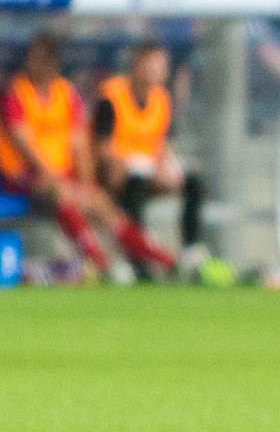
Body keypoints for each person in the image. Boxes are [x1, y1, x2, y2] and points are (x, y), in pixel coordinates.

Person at [0, 35, 175, 277]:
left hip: (62, 174)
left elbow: (80, 143)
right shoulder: (17, 94)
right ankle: (100, 262)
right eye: (37, 58)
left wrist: (85, 182)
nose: (42, 65)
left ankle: (158, 256)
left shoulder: (65, 93)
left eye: (48, 59)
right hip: (23, 176)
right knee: (61, 192)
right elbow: (24, 144)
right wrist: (59, 179)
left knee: (99, 200)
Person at [92, 41, 207, 267]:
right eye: (153, 65)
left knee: (193, 182)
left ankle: (191, 251)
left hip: (150, 169)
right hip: (120, 171)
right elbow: (103, 148)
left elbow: (162, 142)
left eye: (162, 66)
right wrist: (132, 166)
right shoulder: (112, 95)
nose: (159, 71)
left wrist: (164, 167)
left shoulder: (161, 99)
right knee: (136, 184)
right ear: (138, 63)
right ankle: (138, 256)